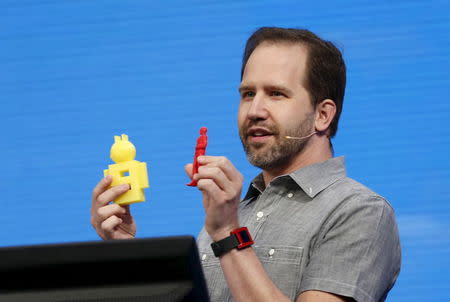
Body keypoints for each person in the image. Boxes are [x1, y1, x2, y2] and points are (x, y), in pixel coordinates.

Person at [90, 27, 401, 302]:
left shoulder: (360, 212)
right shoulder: (235, 213)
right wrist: (126, 252)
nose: (254, 110)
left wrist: (228, 234)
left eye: (276, 94)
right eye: (247, 93)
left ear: (323, 115)